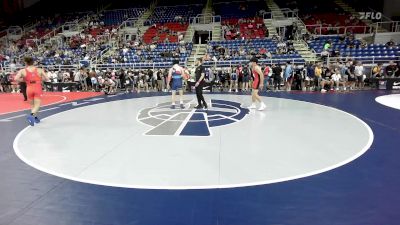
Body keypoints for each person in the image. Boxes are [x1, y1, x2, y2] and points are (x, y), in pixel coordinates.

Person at [15, 57, 50, 126]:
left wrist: (24, 80)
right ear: (33, 62)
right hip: (37, 88)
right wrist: (40, 79)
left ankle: (35, 118)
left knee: (32, 105)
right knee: (37, 105)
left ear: (26, 63)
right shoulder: (39, 70)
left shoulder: (22, 70)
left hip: (29, 88)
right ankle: (31, 115)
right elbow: (47, 79)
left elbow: (16, 78)